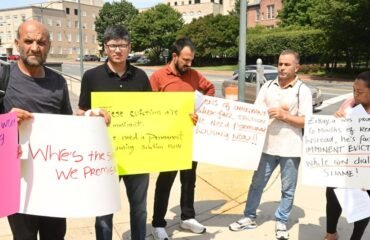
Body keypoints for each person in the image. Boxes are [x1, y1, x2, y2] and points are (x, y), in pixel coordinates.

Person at [77, 25, 151, 240]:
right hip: (104, 156)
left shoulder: (141, 77)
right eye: (113, 45)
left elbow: (152, 114)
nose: (118, 50)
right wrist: (92, 112)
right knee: (103, 210)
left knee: (139, 209)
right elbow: (81, 112)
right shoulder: (91, 76)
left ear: (130, 48)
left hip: (136, 155)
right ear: (105, 48)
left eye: (122, 45)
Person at [228, 50, 312, 240]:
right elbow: (256, 112)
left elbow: (307, 121)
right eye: (280, 64)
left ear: (296, 67)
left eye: (287, 64)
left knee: (287, 189)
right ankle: (249, 216)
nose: (282, 67)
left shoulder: (302, 90)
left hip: (291, 148)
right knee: (256, 184)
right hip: (266, 146)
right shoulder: (267, 86)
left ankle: (281, 221)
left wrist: (285, 116)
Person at [1, 20, 72, 240]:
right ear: (17, 43)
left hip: (53, 182)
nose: (35, 47)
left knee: (55, 236)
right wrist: (5, 120)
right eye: (29, 41)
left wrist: (92, 119)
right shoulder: (3, 78)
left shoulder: (59, 82)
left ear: (49, 45)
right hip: (17, 182)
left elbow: (69, 128)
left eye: (41, 42)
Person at [150, 37, 215, 240]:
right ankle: (158, 223)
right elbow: (147, 105)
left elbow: (210, 89)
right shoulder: (158, 77)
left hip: (190, 136)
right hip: (168, 138)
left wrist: (202, 110)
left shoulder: (194, 75)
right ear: (175, 56)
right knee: (165, 181)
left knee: (189, 180)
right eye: (186, 60)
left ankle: (187, 217)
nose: (189, 64)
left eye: (191, 60)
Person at [324, 71, 370, 240]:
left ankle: (355, 237)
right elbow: (336, 132)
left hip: (366, 170)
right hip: (343, 165)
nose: (355, 95)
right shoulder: (348, 103)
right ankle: (331, 233)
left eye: (360, 92)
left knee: (364, 205)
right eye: (353, 90)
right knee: (332, 196)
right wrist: (336, 118)